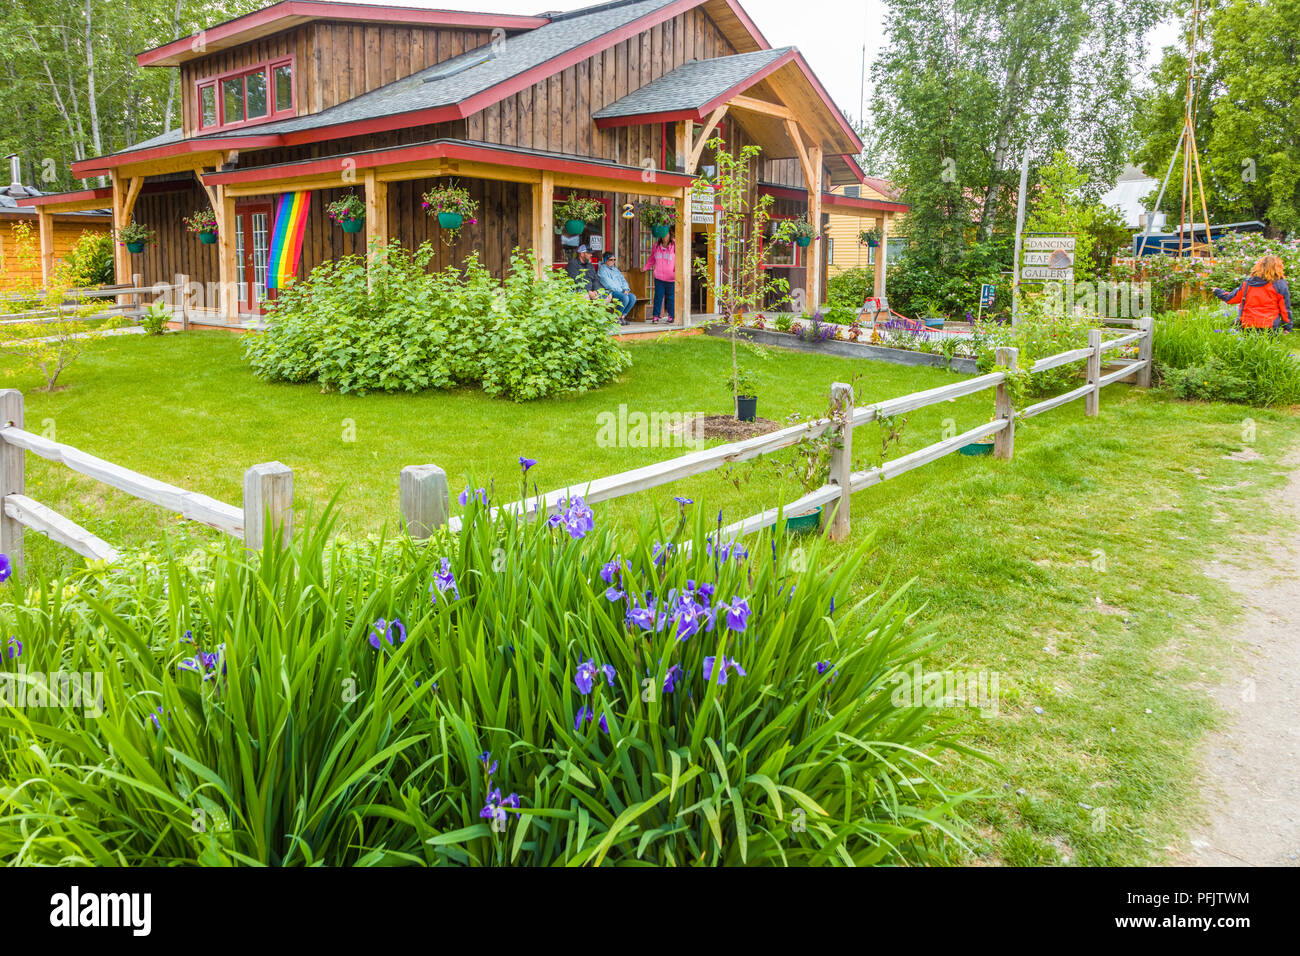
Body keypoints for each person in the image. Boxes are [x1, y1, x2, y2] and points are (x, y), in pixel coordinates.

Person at [1213, 254, 1293, 333]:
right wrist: (1287, 327)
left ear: (1258, 267)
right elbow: (1285, 308)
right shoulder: (1280, 285)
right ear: (1278, 268)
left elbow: (1231, 298)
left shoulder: (1248, 283)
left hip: (1247, 326)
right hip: (1269, 328)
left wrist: (1218, 291)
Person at [642, 234, 676, 324]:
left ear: (670, 235)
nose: (664, 236)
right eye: (662, 235)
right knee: (658, 297)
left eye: (666, 234)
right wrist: (645, 268)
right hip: (659, 277)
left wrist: (676, 271)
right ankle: (656, 316)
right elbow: (652, 259)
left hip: (671, 278)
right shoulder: (656, 246)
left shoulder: (674, 245)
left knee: (671, 298)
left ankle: (671, 316)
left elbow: (680, 259)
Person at [597, 252, 636, 323]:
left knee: (632, 297)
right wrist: (621, 291)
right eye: (610, 260)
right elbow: (608, 284)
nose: (613, 261)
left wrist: (626, 289)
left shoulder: (615, 270)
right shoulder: (602, 270)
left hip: (620, 291)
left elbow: (623, 280)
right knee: (625, 297)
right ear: (605, 260)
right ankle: (616, 317)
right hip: (610, 291)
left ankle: (622, 317)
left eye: (614, 260)